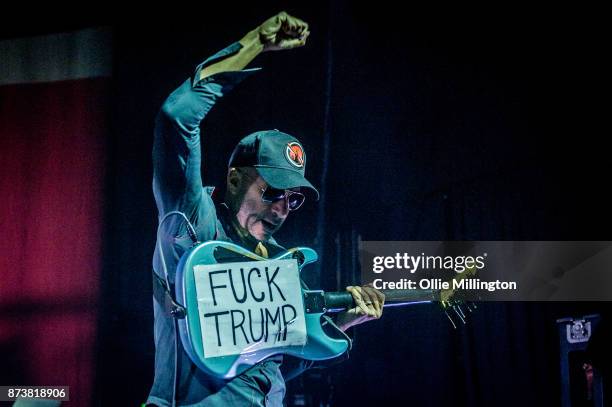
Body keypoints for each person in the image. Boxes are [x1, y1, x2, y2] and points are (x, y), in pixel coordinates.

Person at [148, 12, 385, 406]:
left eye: (294, 199)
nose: (283, 207)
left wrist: (343, 322)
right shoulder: (195, 222)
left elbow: (273, 366)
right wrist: (254, 43)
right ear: (236, 178)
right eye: (273, 190)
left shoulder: (279, 265)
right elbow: (177, 117)